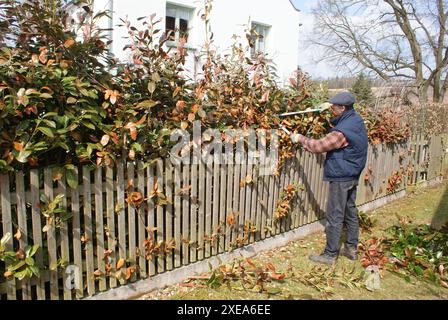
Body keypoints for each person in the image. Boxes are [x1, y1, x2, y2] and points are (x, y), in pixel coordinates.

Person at [291, 92, 368, 265]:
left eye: (334, 107)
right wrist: (325, 108)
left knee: (335, 214)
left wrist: (299, 138)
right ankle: (351, 249)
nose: (332, 109)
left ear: (343, 108)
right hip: (352, 172)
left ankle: (330, 254)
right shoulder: (355, 119)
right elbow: (338, 121)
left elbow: (320, 146)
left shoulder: (342, 132)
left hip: (341, 175)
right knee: (350, 211)